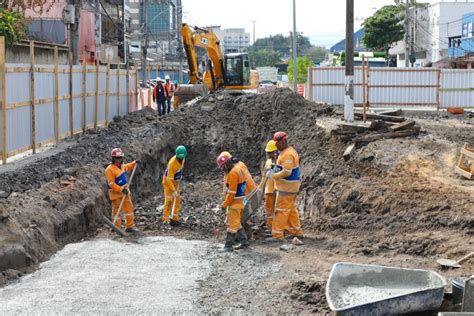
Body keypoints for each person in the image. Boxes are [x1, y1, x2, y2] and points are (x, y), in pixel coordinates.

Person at [267, 132, 303, 242]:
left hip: (287, 188)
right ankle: (296, 231)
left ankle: (277, 235)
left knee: (281, 210)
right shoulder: (285, 152)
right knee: (291, 210)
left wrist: (274, 176)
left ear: (283, 142)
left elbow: (287, 172)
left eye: (277, 143)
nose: (276, 146)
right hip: (289, 187)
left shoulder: (287, 154)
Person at [217, 152, 249, 252]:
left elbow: (231, 193)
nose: (222, 170)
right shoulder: (238, 169)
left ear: (226, 164)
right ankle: (244, 243)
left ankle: (228, 246)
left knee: (231, 225)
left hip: (234, 204)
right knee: (237, 223)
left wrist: (224, 205)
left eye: (222, 167)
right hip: (240, 202)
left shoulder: (233, 173)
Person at [105, 148, 141, 233]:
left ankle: (130, 226)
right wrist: (121, 190)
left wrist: (134, 163)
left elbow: (128, 166)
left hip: (125, 191)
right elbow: (111, 184)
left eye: (120, 157)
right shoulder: (109, 169)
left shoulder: (122, 166)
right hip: (116, 193)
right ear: (113, 158)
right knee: (117, 211)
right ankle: (116, 227)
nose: (119, 159)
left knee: (129, 208)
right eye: (117, 158)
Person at [162, 145, 187, 226]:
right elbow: (169, 180)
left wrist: (179, 176)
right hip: (168, 182)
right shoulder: (172, 163)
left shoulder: (183, 158)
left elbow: (179, 168)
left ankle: (174, 219)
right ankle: (166, 219)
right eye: (179, 157)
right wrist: (173, 190)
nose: (181, 159)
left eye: (182, 157)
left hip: (176, 181)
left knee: (177, 200)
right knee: (169, 200)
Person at [259, 140, 278, 237]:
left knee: (278, 211)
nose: (268, 154)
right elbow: (264, 176)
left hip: (277, 190)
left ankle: (279, 230)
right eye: (268, 152)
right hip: (268, 190)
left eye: (270, 152)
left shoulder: (280, 161)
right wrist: (260, 188)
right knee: (269, 210)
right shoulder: (268, 162)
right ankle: (272, 229)